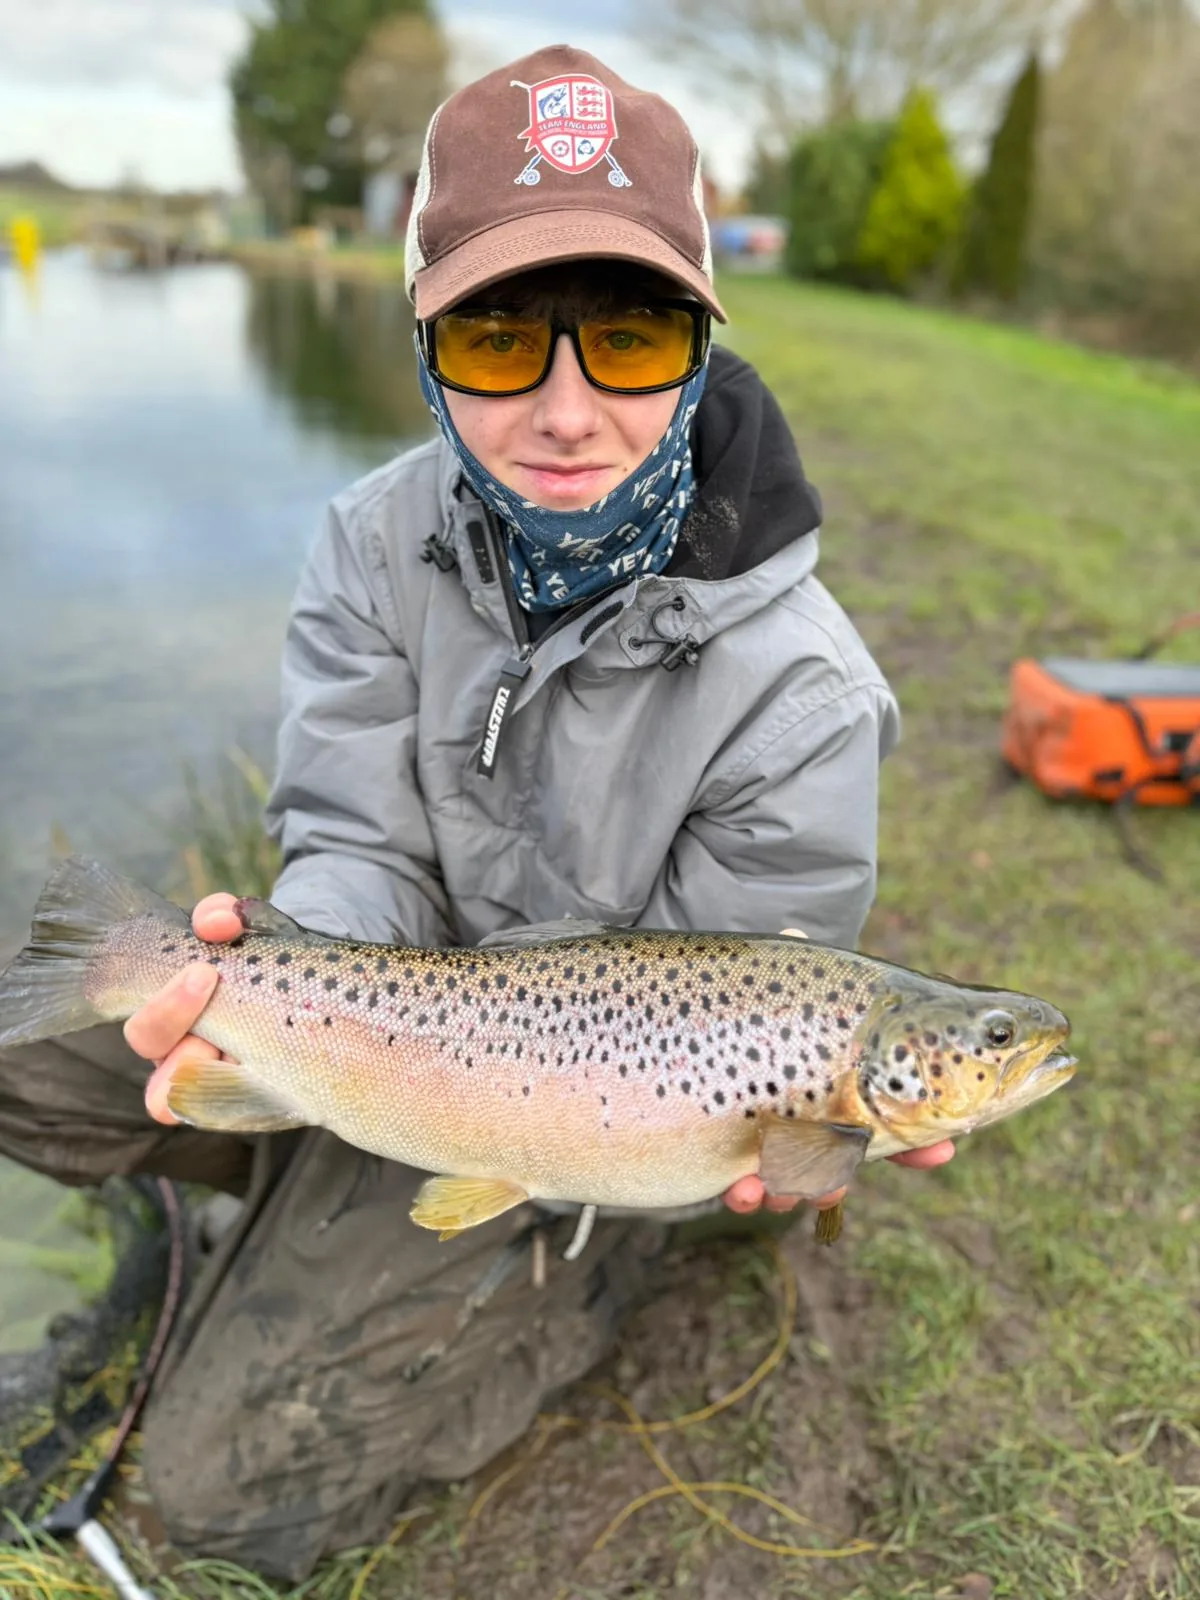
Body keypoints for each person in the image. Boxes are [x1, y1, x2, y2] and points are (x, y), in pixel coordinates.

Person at [0, 45, 953, 1579]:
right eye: (505, 340)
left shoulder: (810, 698)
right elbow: (359, 845)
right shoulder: (373, 543)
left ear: (702, 347)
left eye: (631, 337)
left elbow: (722, 1022)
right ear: (433, 344)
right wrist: (279, 989)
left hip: (601, 1148)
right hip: (409, 1032)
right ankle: (299, 1146)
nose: (567, 409)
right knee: (35, 1056)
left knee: (221, 1487)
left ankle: (562, 1283)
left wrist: (791, 1167)